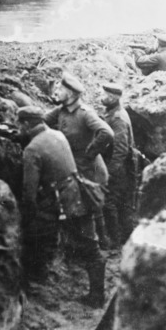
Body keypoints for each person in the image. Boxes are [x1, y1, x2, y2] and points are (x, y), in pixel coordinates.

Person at [19, 106, 107, 308]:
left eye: (19, 124)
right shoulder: (57, 134)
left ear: (25, 124)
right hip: (78, 193)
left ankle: (40, 284)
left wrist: (26, 218)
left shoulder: (32, 150)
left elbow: (29, 192)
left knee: (40, 237)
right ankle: (97, 293)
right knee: (90, 243)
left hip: (65, 203)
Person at [99, 83, 137, 248]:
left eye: (105, 95)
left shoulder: (118, 119)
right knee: (123, 204)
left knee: (110, 202)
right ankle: (127, 239)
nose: (101, 97)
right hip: (121, 166)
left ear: (113, 98)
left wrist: (108, 173)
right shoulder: (113, 113)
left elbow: (120, 150)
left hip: (120, 167)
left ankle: (115, 242)